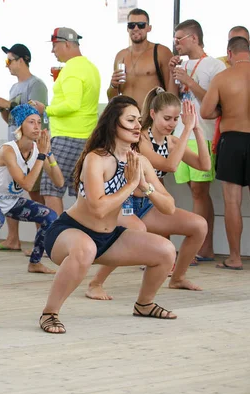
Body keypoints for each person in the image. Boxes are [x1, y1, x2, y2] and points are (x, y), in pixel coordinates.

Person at [40, 96, 177, 334]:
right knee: (85, 249)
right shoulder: (96, 158)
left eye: (139, 121)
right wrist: (130, 184)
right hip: (70, 233)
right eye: (131, 120)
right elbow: (99, 208)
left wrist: (145, 187)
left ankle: (144, 304)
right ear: (115, 124)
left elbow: (169, 207)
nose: (137, 126)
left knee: (166, 251)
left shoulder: (139, 161)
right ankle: (49, 313)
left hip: (109, 238)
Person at [86, 89, 210, 300]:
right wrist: (186, 129)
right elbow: (170, 166)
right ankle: (95, 283)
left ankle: (177, 277)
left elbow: (204, 165)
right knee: (136, 230)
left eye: (176, 119)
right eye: (167, 118)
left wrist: (197, 129)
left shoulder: (171, 142)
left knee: (199, 225)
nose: (171, 124)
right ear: (153, 114)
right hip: (123, 203)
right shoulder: (140, 138)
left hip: (146, 203)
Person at [201, 36, 250, 270]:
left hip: (232, 140)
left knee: (232, 202)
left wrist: (227, 108)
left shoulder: (223, 77)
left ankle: (235, 258)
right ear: (249, 52)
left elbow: (206, 111)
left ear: (229, 53)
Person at [0, 104, 63, 281]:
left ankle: (35, 262)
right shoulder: (8, 150)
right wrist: (41, 156)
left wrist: (49, 154)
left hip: (10, 202)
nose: (37, 126)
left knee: (50, 216)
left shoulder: (37, 150)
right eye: (31, 122)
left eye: (39, 122)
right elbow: (27, 185)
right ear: (20, 126)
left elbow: (59, 182)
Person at [169, 19, 226, 262]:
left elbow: (216, 104)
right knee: (194, 192)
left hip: (202, 134)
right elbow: (172, 100)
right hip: (180, 134)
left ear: (194, 38)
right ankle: (204, 249)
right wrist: (173, 75)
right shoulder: (180, 64)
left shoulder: (215, 66)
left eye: (179, 38)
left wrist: (190, 82)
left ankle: (199, 249)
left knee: (199, 193)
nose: (176, 42)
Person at [30, 27, 101, 215]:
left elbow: (72, 104)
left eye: (55, 46)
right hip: (86, 136)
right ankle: (81, 238)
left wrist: (45, 110)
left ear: (67, 44)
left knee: (50, 188)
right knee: (81, 191)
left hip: (68, 138)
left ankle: (58, 238)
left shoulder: (72, 69)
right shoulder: (90, 67)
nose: (52, 51)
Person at [0, 43, 49, 254]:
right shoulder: (14, 88)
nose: (7, 66)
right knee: (7, 190)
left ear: (22, 60)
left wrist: (10, 105)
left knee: (35, 192)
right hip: (14, 146)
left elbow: (35, 115)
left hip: (31, 147)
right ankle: (12, 238)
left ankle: (43, 240)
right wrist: (2, 109)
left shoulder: (36, 84)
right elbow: (12, 121)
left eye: (9, 61)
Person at [107, 8, 177, 106]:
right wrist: (113, 85)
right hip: (127, 117)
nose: (136, 28)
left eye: (141, 25)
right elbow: (112, 98)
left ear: (149, 28)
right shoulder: (121, 55)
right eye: (131, 25)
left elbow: (172, 93)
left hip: (150, 118)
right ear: (127, 29)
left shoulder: (161, 52)